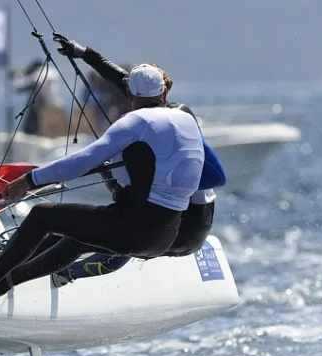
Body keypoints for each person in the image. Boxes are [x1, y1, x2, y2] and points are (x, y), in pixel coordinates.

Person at [0, 63, 205, 301]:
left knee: (42, 216)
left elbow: (83, 160)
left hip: (133, 229)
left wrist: (29, 180)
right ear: (164, 92)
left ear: (129, 94)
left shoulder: (134, 122)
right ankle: (7, 275)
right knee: (77, 236)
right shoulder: (186, 118)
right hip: (165, 236)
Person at [52, 33, 225, 260]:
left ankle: (61, 270)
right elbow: (123, 82)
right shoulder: (176, 115)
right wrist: (84, 54)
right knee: (103, 223)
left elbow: (124, 83)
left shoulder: (168, 119)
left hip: (184, 228)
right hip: (194, 225)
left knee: (119, 218)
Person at [13, 58, 66, 137]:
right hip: (56, 107)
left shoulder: (38, 75)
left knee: (29, 131)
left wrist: (19, 74)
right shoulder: (52, 73)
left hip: (42, 110)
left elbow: (19, 87)